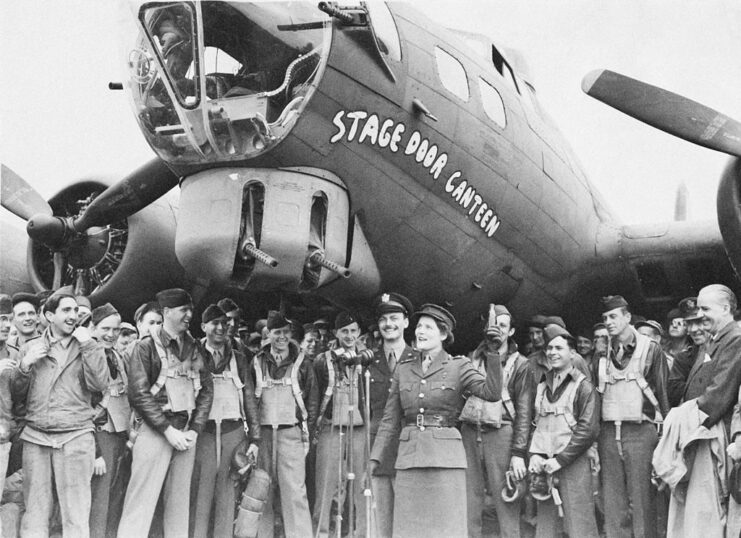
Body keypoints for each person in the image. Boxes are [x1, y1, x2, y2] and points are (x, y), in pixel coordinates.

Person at [370, 303, 502, 538]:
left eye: (428, 328)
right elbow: (390, 420)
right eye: (419, 327)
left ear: (443, 334)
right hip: (409, 458)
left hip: (445, 461)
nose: (420, 332)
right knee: (409, 529)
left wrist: (493, 353)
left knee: (446, 528)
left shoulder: (459, 366)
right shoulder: (404, 369)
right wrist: (375, 458)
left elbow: (491, 393)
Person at [118, 288, 214, 538]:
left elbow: (206, 391)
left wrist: (195, 429)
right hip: (154, 431)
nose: (189, 315)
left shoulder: (195, 348)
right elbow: (138, 393)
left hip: (186, 433)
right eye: (184, 310)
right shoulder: (145, 348)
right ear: (167, 312)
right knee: (140, 503)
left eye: (190, 310)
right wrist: (167, 430)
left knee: (179, 506)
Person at [12, 291, 109, 537]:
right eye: (66, 310)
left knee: (76, 513)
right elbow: (16, 396)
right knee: (35, 512)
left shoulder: (89, 345)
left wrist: (88, 344)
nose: (73, 315)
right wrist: (24, 367)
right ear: (49, 315)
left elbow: (99, 384)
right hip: (37, 437)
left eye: (75, 311)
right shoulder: (30, 348)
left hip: (76, 435)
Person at [598, 295, 669, 538]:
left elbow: (663, 395)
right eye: (605, 318)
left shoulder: (651, 349)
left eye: (614, 316)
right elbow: (596, 395)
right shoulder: (602, 350)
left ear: (627, 317)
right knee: (613, 504)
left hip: (640, 432)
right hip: (608, 434)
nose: (608, 322)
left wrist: (666, 440)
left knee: (642, 503)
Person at [460, 304, 532, 538]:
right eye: (494, 325)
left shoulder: (521, 364)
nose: (497, 330)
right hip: (470, 432)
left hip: (501, 434)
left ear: (511, 332)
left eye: (503, 325)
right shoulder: (473, 357)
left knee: (506, 498)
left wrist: (519, 452)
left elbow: (524, 411)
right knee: (469, 500)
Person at [191, 304, 260, 538]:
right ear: (203, 327)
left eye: (224, 323)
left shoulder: (239, 358)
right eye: (214, 323)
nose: (221, 328)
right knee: (200, 494)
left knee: (228, 495)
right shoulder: (192, 354)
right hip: (204, 434)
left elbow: (249, 397)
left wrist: (255, 439)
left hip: (233, 433)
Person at [528, 325, 599, 538]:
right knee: (545, 525)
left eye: (559, 348)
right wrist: (534, 455)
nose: (552, 353)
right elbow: (536, 423)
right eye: (549, 348)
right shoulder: (542, 385)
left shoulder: (584, 387)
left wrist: (561, 460)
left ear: (573, 354)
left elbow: (588, 430)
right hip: (543, 464)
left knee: (580, 522)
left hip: (573, 462)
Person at [252, 311, 317, 538]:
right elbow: (249, 401)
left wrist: (307, 434)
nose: (282, 337)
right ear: (268, 334)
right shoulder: (257, 361)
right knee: (261, 491)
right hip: (263, 436)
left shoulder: (303, 363)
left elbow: (313, 401)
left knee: (295, 494)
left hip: (291, 434)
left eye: (286, 332)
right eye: (277, 332)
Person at [313, 311, 370, 537]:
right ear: (336, 332)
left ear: (359, 333)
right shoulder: (322, 360)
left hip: (358, 430)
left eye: (353, 331)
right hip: (331, 428)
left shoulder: (366, 359)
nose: (349, 336)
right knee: (326, 487)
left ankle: (360, 533)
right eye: (344, 331)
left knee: (360, 488)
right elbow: (314, 396)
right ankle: (322, 533)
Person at [367, 292, 415, 538]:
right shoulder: (368, 360)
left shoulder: (418, 360)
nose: (389, 324)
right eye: (384, 319)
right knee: (379, 518)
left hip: (410, 448)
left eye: (394, 318)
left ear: (406, 322)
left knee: (410, 518)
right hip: (377, 448)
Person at [89, 303, 130, 538]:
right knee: (99, 497)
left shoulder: (115, 355)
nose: (111, 334)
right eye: (105, 328)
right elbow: (84, 406)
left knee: (115, 493)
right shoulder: (89, 356)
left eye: (115, 330)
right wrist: (95, 452)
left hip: (120, 432)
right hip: (100, 432)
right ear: (93, 328)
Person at [667, 298, 708, 407]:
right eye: (689, 324)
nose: (694, 329)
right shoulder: (683, 358)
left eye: (699, 322)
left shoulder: (724, 350)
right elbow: (673, 393)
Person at [0, 295, 18, 505]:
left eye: (8, 319)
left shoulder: (13, 354)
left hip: (3, 437)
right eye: (1, 318)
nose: (6, 325)